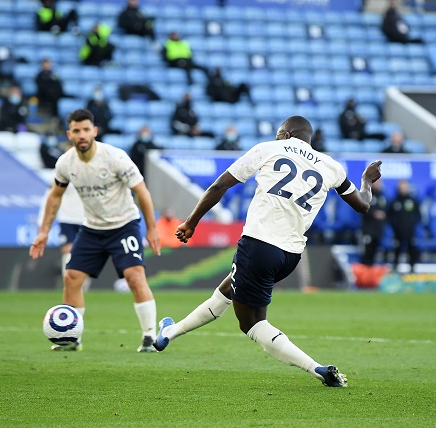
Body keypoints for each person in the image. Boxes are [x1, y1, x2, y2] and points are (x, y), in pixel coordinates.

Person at [152, 115, 383, 388]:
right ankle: (170, 332)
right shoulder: (331, 166)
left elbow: (220, 185)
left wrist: (191, 222)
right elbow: (363, 204)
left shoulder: (270, 149)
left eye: (278, 135)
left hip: (259, 245)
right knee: (229, 289)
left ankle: (317, 369)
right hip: (290, 257)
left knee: (251, 324)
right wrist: (367, 180)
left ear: (285, 135)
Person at [30, 109, 161, 353]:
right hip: (92, 228)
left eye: (86, 129)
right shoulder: (66, 163)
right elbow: (54, 196)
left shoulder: (114, 157)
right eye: (76, 131)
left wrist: (151, 229)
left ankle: (149, 337)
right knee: (71, 278)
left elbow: (141, 191)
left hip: (124, 225)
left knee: (134, 276)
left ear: (95, 131)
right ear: (69, 134)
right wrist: (43, 231)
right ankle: (72, 338)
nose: (82, 135)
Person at [387, 180, 421, 273]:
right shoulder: (394, 201)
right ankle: (395, 269)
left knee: (412, 250)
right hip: (398, 232)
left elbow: (418, 215)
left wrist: (412, 224)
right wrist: (395, 226)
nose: (403, 189)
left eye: (405, 187)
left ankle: (412, 269)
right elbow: (389, 216)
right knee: (397, 251)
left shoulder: (413, 201)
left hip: (410, 231)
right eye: (401, 187)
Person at [360, 179, 388, 266]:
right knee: (367, 253)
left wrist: (384, 214)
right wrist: (373, 214)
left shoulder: (382, 196)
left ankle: (371, 275)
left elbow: (387, 210)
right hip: (368, 230)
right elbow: (361, 209)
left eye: (379, 182)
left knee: (375, 253)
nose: (378, 184)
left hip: (378, 230)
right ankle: (363, 274)